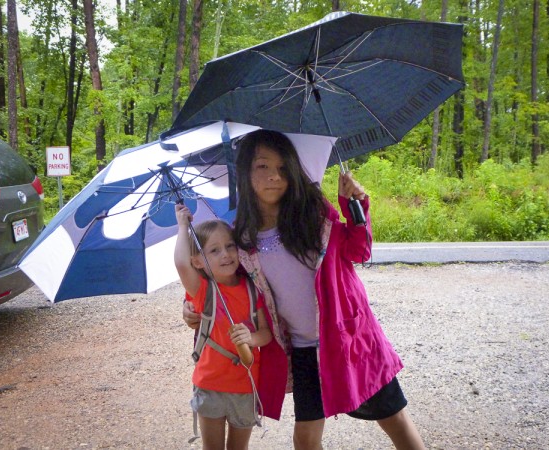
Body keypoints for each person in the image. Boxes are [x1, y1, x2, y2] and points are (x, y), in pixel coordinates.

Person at [183, 129, 425, 450]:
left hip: (350, 338)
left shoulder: (315, 214)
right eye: (263, 167)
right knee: (306, 438)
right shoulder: (242, 239)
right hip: (303, 350)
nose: (275, 177)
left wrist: (356, 206)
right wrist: (192, 305)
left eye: (283, 168)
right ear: (244, 172)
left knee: (395, 420)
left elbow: (359, 251)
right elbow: (226, 282)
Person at [174, 211, 273, 450]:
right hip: (210, 385)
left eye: (230, 246)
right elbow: (180, 263)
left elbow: (266, 333)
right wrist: (182, 227)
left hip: (245, 385)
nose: (226, 254)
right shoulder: (202, 291)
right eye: (214, 250)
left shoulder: (252, 289)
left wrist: (250, 337)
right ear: (197, 261)